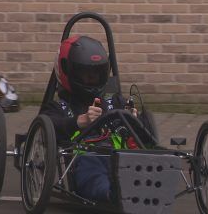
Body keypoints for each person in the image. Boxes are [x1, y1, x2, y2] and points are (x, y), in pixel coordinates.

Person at [39, 35, 137, 202]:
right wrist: (80, 121)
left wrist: (134, 120)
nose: (92, 78)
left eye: (96, 73)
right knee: (93, 166)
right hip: (87, 156)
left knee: (140, 159)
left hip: (121, 156)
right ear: (69, 72)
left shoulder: (115, 101)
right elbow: (47, 126)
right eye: (86, 74)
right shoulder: (58, 107)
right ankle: (111, 194)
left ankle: (139, 190)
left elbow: (142, 135)